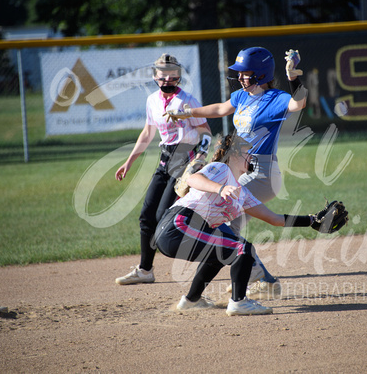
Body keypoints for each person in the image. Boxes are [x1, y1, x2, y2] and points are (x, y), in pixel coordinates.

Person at [165, 46, 308, 298]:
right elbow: (220, 109)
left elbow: (298, 104)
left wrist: (294, 79)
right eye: (239, 73)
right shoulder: (241, 97)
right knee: (229, 226)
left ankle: (259, 276)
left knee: (225, 224)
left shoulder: (274, 98)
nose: (240, 77)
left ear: (261, 74)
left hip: (262, 173)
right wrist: (187, 113)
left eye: (246, 72)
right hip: (241, 173)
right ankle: (257, 277)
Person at [153, 134, 322, 316]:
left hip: (182, 231)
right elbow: (192, 179)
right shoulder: (221, 169)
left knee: (220, 254)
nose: (251, 157)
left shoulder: (243, 193)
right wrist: (220, 188)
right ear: (233, 155)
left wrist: (312, 220)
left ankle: (191, 300)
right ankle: (239, 302)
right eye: (246, 153)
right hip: (178, 226)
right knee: (243, 249)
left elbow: (274, 219)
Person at [114, 53, 212, 285]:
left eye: (172, 75)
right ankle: (145, 270)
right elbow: (148, 133)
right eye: (162, 75)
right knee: (146, 216)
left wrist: (200, 157)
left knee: (162, 217)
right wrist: (129, 162)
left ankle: (210, 253)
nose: (167, 80)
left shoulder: (187, 101)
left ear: (178, 76)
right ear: (155, 76)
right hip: (164, 161)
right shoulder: (152, 101)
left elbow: (206, 132)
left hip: (185, 160)